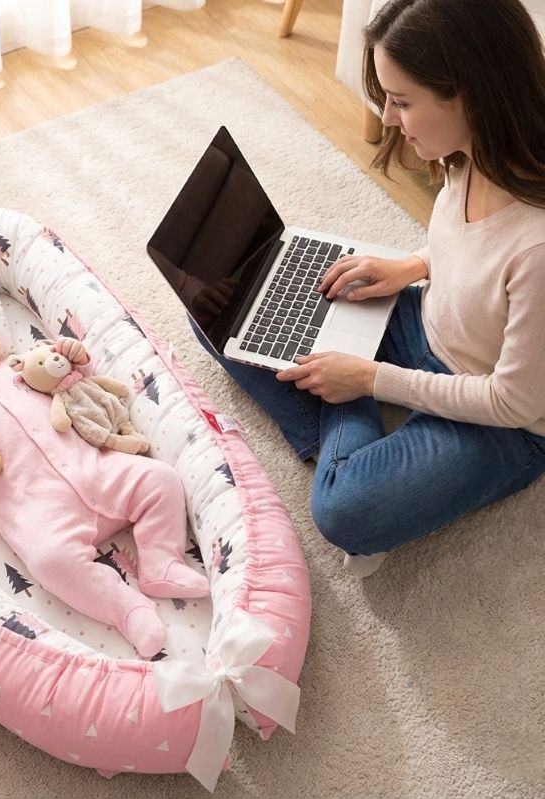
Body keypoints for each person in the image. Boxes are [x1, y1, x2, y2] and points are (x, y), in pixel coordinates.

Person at [198, 0, 545, 577]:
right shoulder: (472, 152)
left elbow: (515, 402)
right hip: (425, 322)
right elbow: (479, 250)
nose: (386, 117)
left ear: (471, 93)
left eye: (402, 101)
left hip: (499, 419)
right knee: (223, 303)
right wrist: (410, 266)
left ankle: (341, 412)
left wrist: (365, 379)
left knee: (344, 512)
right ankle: (340, 409)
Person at [0, 291, 209, 656]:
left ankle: (161, 562)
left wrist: (75, 358)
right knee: (50, 562)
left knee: (160, 479)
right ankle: (127, 609)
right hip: (43, 512)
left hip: (99, 470)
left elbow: (75, 386)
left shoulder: (20, 367)